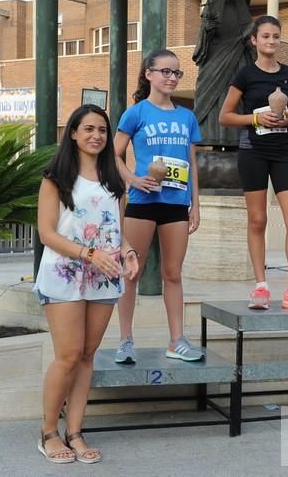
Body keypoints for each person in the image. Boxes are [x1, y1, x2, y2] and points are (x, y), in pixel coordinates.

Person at [34, 104, 139, 464]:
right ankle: (48, 432)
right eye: (89, 129)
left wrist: (128, 252)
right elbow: (47, 233)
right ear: (74, 134)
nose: (97, 135)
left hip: (104, 278)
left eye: (103, 130)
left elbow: (117, 230)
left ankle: (75, 431)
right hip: (65, 273)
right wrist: (89, 254)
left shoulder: (114, 181)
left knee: (87, 357)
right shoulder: (56, 178)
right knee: (67, 356)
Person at [218, 15, 288, 311]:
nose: (271, 41)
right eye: (265, 36)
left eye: (276, 36)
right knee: (258, 219)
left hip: (282, 153)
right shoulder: (244, 75)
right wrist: (255, 118)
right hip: (252, 151)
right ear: (254, 41)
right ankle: (261, 287)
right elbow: (225, 116)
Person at [113, 49, 203, 364]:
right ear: (148, 73)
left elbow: (192, 162)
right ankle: (125, 340)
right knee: (131, 272)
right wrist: (132, 181)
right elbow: (114, 155)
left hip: (176, 204)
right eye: (165, 71)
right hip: (142, 203)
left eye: (176, 73)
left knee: (173, 273)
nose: (171, 78)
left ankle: (176, 340)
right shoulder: (136, 113)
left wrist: (196, 203)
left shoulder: (186, 117)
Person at [193, 0, 254, 147]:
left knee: (234, 96)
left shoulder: (241, 9)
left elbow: (249, 34)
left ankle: (233, 138)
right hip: (214, 57)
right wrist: (207, 30)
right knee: (212, 98)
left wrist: (248, 37)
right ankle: (210, 136)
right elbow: (202, 41)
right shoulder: (212, 9)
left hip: (237, 59)